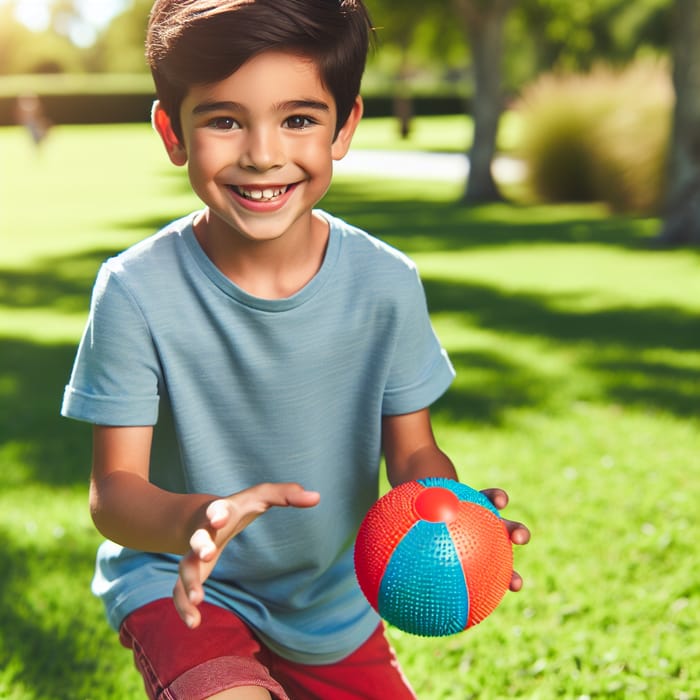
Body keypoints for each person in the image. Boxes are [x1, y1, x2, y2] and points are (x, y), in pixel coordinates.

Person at [61, 1, 530, 698]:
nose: (262, 152)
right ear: (172, 131)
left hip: (331, 608)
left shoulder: (385, 281)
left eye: (299, 119)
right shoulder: (134, 290)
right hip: (184, 584)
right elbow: (114, 494)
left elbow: (412, 453)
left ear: (345, 128)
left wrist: (451, 506)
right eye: (224, 119)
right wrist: (198, 520)